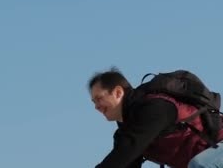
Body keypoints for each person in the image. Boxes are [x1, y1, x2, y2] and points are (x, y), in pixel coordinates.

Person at [89, 68, 223, 168]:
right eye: (93, 102)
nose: (96, 107)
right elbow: (123, 162)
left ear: (118, 92)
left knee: (199, 165)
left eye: (99, 99)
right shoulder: (125, 133)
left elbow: (125, 152)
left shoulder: (154, 107)